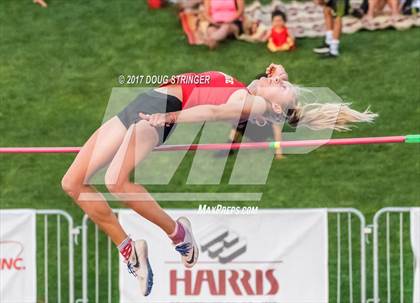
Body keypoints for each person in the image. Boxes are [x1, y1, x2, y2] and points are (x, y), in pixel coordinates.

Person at [61, 64, 376, 297]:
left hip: (162, 109)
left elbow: (212, 111)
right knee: (73, 183)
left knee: (117, 181)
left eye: (280, 86)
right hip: (144, 103)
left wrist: (169, 118)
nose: (276, 80)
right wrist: (276, 73)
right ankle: (129, 248)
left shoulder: (256, 103)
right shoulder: (245, 89)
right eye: (280, 80)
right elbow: (254, 85)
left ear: (275, 106)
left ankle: (179, 234)